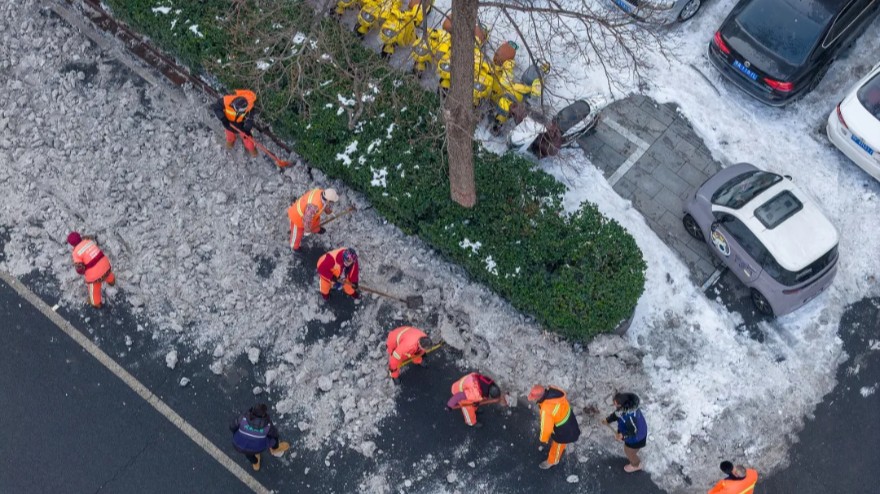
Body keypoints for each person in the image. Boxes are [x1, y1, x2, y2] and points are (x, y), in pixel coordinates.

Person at [527, 385, 581, 469]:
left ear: (539, 397)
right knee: (571, 431)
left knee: (558, 445)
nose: (532, 398)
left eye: (533, 397)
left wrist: (543, 439)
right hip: (569, 417)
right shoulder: (554, 391)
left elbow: (546, 428)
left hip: (563, 430)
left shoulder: (546, 409)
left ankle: (552, 461)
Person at [230, 403, 289, 471]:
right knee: (274, 439)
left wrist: (240, 435)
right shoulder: (267, 425)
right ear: (264, 414)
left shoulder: (243, 418)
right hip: (258, 447)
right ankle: (275, 449)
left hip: (239, 444)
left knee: (248, 453)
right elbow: (274, 434)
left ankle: (255, 463)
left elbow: (232, 426)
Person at [68, 231, 115, 308]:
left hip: (95, 276)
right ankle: (112, 281)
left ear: (72, 244)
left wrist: (82, 270)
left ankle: (96, 303)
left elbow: (80, 269)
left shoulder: (76, 253)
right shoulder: (88, 241)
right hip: (105, 265)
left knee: (94, 290)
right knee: (108, 274)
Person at [604, 391, 648, 473]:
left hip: (637, 438)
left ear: (621, 405)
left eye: (615, 403)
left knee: (628, 451)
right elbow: (617, 414)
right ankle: (635, 457)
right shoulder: (623, 409)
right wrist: (608, 420)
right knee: (629, 448)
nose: (614, 405)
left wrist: (623, 436)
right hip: (631, 431)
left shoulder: (630, 417)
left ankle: (636, 465)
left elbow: (634, 431)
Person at [211, 89, 257, 156]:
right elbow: (217, 108)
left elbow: (249, 120)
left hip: (241, 127)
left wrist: (247, 129)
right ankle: (230, 142)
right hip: (228, 123)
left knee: (249, 143)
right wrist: (223, 118)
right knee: (229, 137)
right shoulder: (226, 100)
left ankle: (252, 150)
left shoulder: (250, 108)